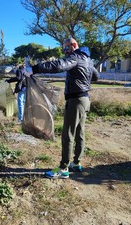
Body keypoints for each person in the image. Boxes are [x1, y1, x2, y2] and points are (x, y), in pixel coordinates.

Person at [31, 37, 99, 179]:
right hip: (85, 99)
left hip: (75, 100)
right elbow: (96, 77)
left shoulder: (76, 57)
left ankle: (63, 168)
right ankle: (76, 162)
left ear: (74, 46)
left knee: (68, 134)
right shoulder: (88, 60)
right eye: (63, 49)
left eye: (66, 48)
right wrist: (83, 77)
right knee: (80, 132)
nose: (64, 51)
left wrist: (34, 68)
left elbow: (58, 65)